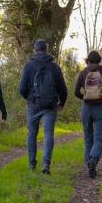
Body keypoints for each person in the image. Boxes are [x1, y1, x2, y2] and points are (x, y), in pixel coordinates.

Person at [18, 39, 68, 174]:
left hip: (33, 104)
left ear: (35, 50)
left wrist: (29, 99)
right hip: (50, 105)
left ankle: (31, 164)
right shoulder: (54, 67)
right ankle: (46, 163)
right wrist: (61, 103)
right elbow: (63, 89)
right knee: (48, 133)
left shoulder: (29, 66)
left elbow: (22, 88)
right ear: (47, 50)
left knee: (32, 134)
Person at [74, 50, 102, 178]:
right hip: (100, 108)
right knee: (99, 138)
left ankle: (89, 166)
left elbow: (76, 92)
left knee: (88, 139)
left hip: (86, 108)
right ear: (99, 60)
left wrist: (85, 97)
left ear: (88, 60)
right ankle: (93, 161)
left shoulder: (83, 72)